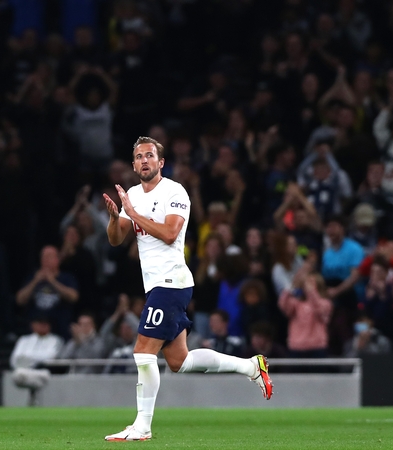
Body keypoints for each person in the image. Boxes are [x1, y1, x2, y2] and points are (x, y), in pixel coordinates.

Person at [101, 137, 272, 441]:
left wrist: (134, 214)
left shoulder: (174, 191)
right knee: (179, 361)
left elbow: (169, 233)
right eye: (139, 156)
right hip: (157, 285)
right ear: (133, 164)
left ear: (160, 162)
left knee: (142, 352)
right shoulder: (133, 196)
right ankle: (251, 366)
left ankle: (142, 426)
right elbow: (116, 239)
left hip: (172, 282)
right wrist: (115, 219)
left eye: (150, 155)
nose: (144, 161)